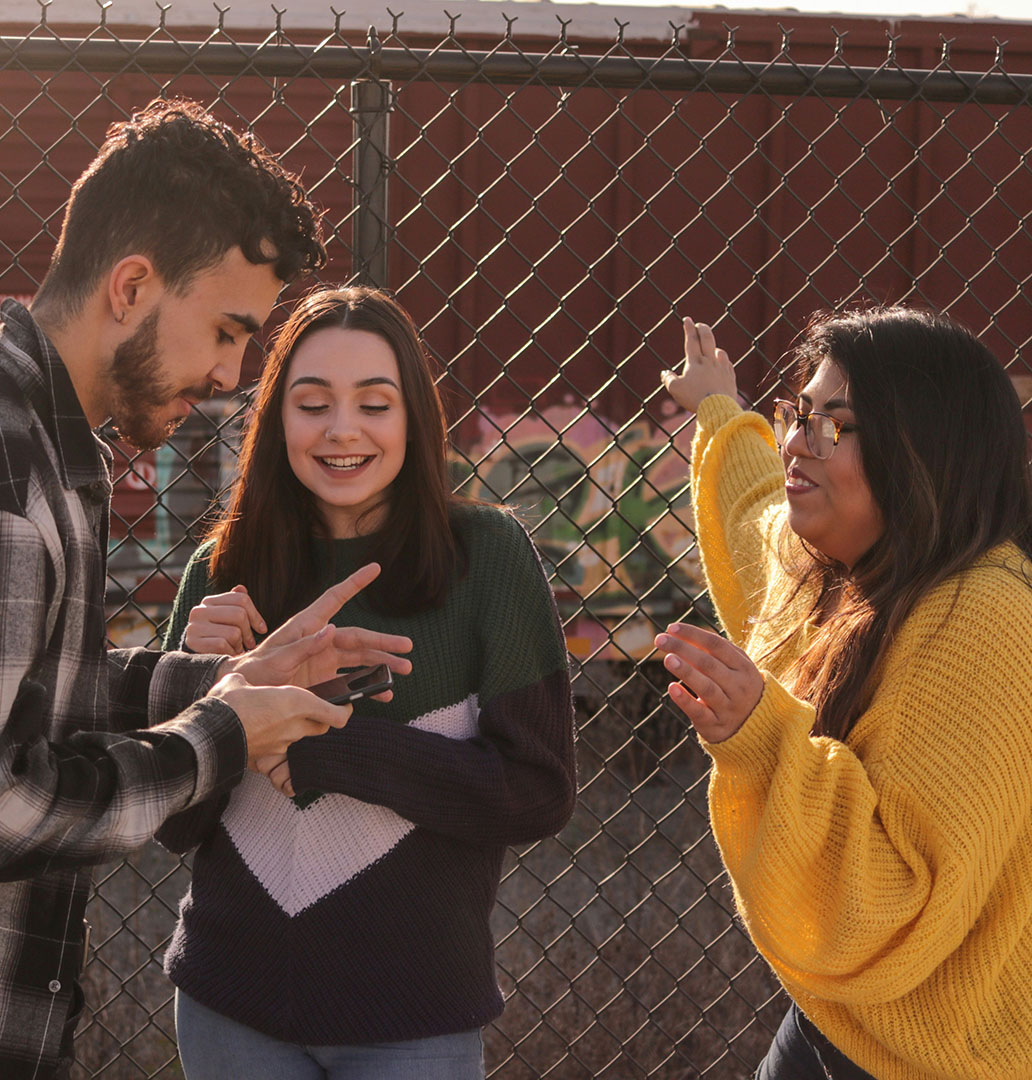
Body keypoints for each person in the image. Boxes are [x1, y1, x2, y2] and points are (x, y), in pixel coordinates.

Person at [0, 100, 412, 1080]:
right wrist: (223, 735)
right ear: (131, 286)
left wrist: (226, 677)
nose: (232, 372)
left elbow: (30, 686)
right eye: (227, 329)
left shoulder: (38, 444)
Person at [155, 285, 577, 1080]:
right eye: (312, 403)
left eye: (374, 404)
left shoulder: (487, 556)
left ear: (413, 417)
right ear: (277, 420)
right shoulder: (221, 570)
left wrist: (334, 749)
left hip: (413, 1018)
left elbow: (539, 791)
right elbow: (174, 826)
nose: (342, 429)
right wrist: (201, 686)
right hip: (227, 1007)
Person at [655, 308, 1032, 1079]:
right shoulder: (846, 571)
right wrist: (720, 408)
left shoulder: (983, 618)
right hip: (846, 1026)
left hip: (939, 1053)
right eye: (800, 414)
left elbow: (896, 901)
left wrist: (763, 738)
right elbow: (756, 519)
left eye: (836, 424)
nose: (795, 439)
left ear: (924, 448)